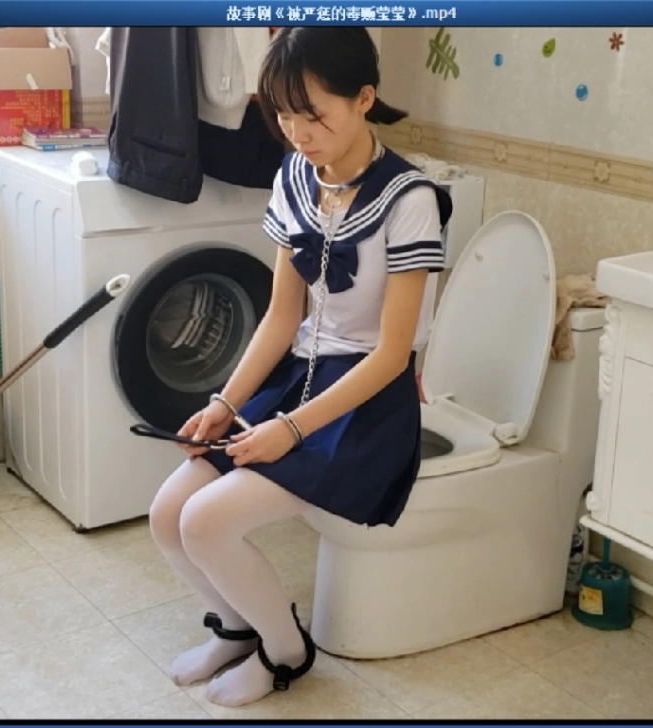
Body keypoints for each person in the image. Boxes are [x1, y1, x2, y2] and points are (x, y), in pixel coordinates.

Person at [148, 26, 453, 708]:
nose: (297, 132)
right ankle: (235, 628)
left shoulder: (410, 201)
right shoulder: (293, 176)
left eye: (313, 113)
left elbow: (392, 354)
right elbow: (283, 316)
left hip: (367, 404)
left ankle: (286, 650)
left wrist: (288, 430)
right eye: (284, 114)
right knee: (168, 513)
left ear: (364, 98)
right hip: (299, 377)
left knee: (205, 522)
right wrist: (225, 404)